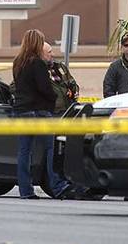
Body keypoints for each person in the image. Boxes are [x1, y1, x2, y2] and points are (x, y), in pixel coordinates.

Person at [12, 30, 72, 199]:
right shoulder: (37, 63)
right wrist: (52, 99)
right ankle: (58, 186)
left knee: (24, 152)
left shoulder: (18, 62)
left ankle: (25, 190)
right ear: (38, 43)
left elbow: (18, 85)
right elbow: (45, 88)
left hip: (22, 110)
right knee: (51, 148)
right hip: (38, 110)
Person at [43, 42, 80, 114]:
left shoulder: (60, 66)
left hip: (68, 110)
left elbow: (73, 84)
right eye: (49, 52)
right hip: (51, 114)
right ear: (41, 55)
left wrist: (73, 91)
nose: (53, 54)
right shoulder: (37, 71)